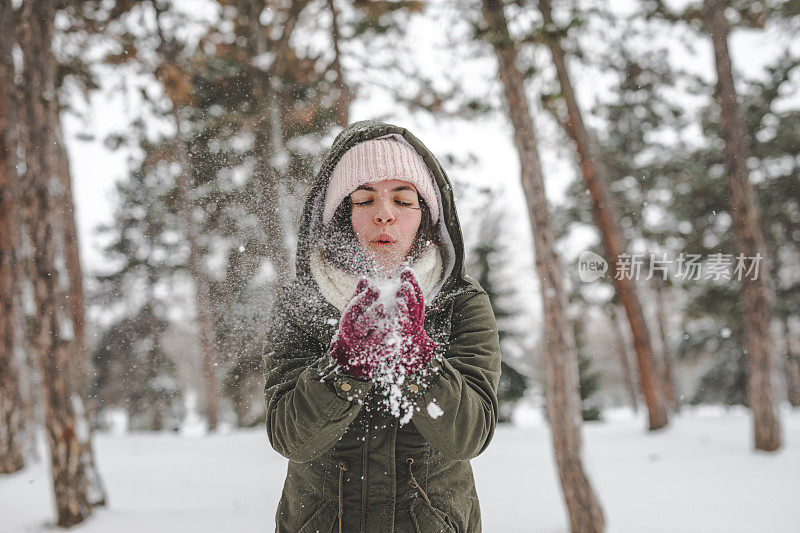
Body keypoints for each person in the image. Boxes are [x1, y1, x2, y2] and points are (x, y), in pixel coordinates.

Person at [263, 119, 502, 532]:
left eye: (404, 200)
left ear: (426, 214)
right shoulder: (301, 304)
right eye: (364, 200)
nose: (384, 215)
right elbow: (291, 438)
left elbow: (468, 437)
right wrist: (345, 367)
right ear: (340, 215)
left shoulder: (461, 303)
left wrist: (418, 361)